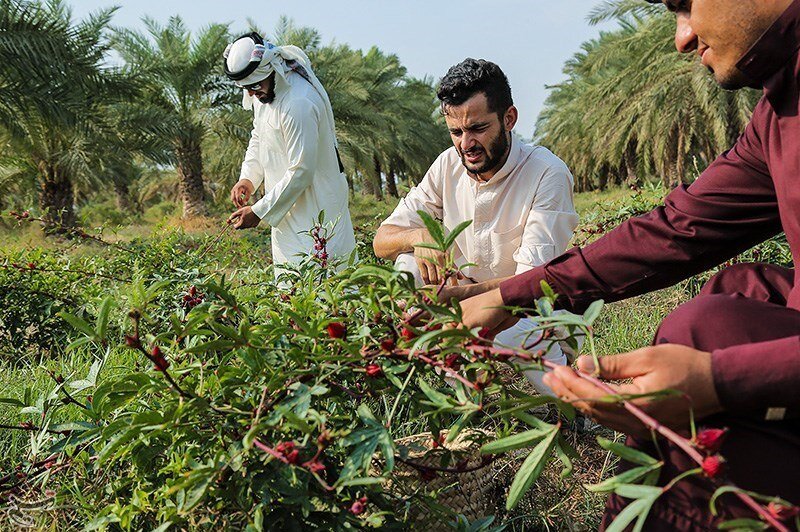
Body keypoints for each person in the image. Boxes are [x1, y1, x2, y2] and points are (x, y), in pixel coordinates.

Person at [459, 0, 800, 528]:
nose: (682, 38)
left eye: (685, 6)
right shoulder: (780, 111)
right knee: (739, 291)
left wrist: (722, 379)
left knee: (704, 327)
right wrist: (510, 294)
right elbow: (676, 230)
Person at [373, 58, 579, 394]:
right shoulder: (447, 165)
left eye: (478, 129)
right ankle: (461, 395)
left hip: (528, 308)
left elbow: (532, 284)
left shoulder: (546, 173)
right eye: (456, 131)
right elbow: (382, 240)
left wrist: (454, 300)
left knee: (521, 338)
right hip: (462, 294)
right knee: (406, 263)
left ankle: (571, 401)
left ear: (508, 119)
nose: (465, 144)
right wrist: (420, 235)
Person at [223, 33, 356, 274]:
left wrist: (258, 211)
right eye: (246, 89)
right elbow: (259, 135)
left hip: (318, 209)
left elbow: (301, 170)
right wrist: (248, 178)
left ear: (272, 69)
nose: (252, 94)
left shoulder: (299, 103)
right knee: (292, 294)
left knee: (327, 285)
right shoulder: (265, 93)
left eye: (255, 86)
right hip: (286, 209)